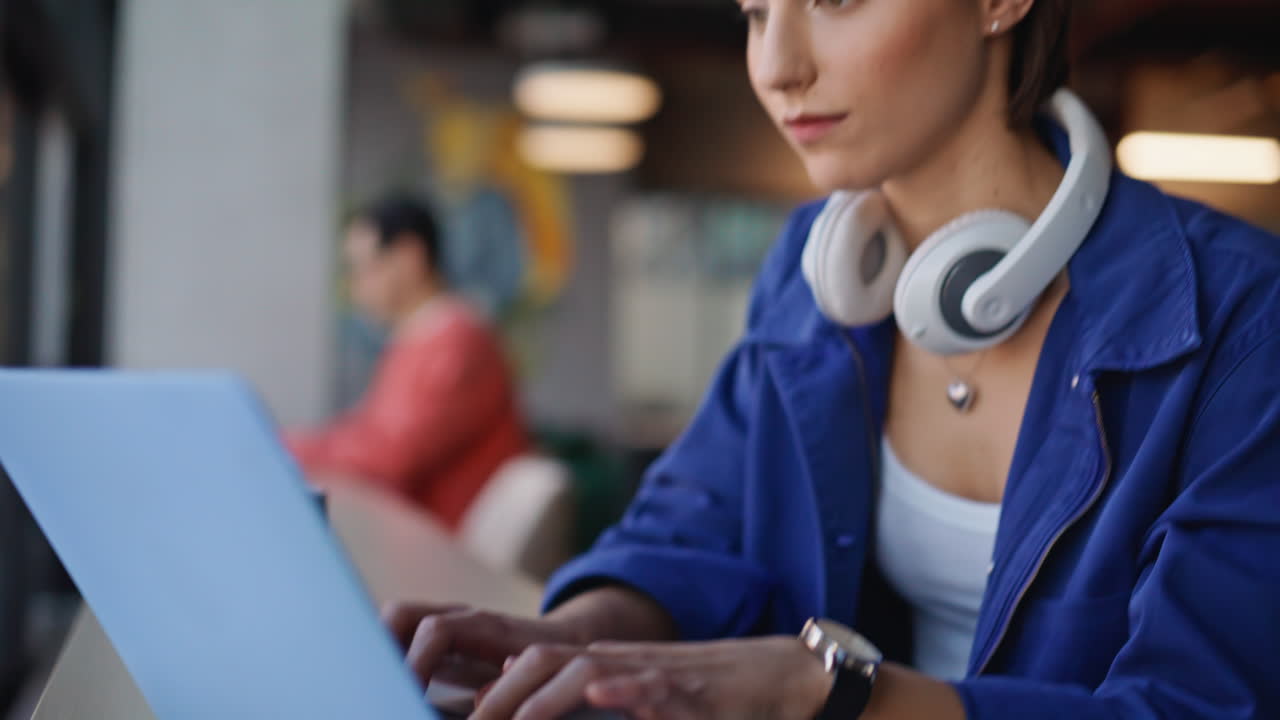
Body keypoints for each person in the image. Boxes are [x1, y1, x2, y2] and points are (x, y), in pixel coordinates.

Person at [382, 0, 1280, 718]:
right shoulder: (812, 272)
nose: (777, 67)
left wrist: (831, 693)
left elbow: (1198, 703)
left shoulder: (1244, 319)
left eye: (834, 0)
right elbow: (689, 525)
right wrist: (575, 639)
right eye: (753, 13)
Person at [285, 194, 529, 532]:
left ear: (409, 258)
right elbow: (372, 435)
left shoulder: (457, 341)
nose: (356, 287)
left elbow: (393, 454)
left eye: (364, 269)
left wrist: (287, 447)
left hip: (442, 549)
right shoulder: (422, 336)